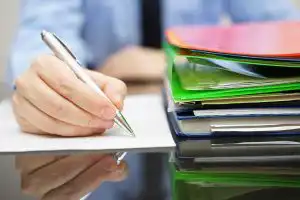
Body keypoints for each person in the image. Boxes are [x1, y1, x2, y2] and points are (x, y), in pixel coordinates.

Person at [5, 0, 300, 199]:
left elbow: (286, 35)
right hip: (95, 149)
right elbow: (39, 37)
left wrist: (171, 62)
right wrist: (46, 84)